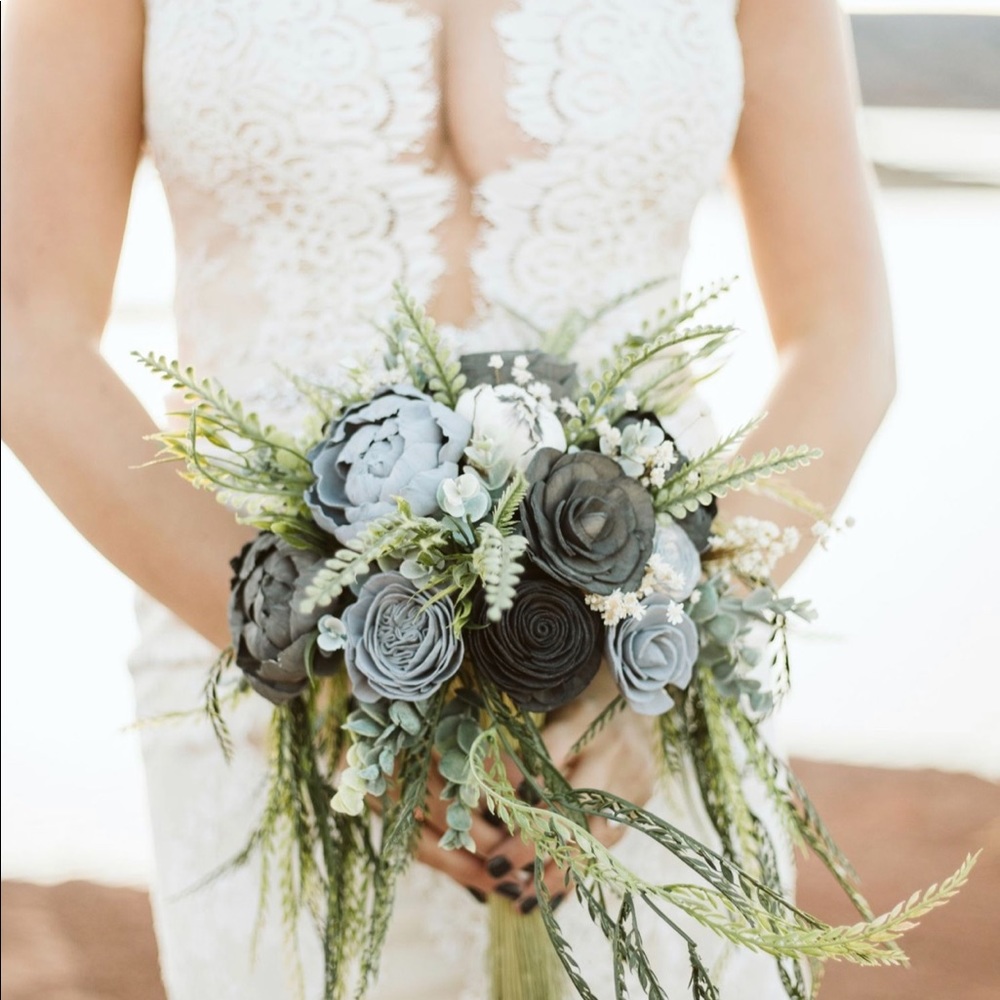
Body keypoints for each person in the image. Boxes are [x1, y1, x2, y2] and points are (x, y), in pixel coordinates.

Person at [2, 0, 895, 997]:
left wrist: (659, 665)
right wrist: (326, 664)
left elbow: (844, 333)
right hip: (257, 666)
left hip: (647, 689)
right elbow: (26, 329)